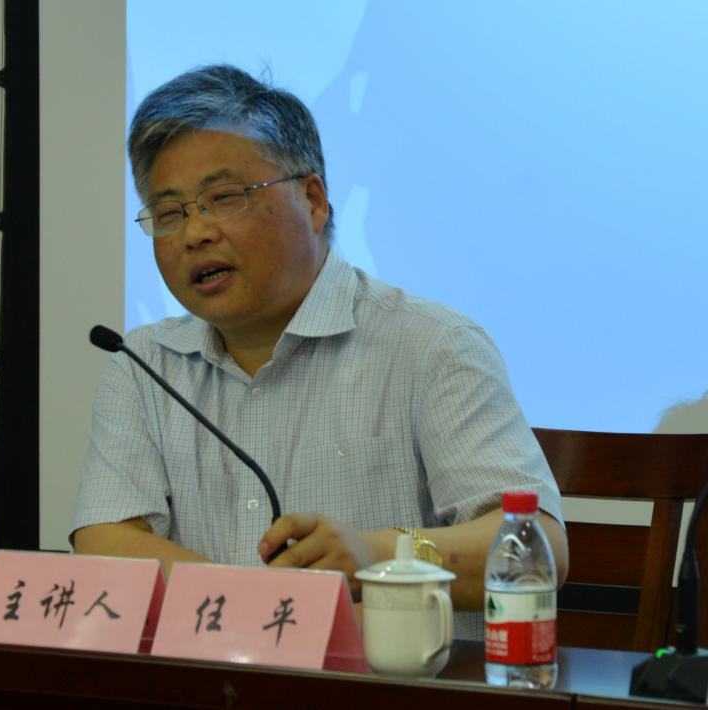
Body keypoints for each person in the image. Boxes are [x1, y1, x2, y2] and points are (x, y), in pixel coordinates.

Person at [71, 64, 567, 639]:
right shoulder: (144, 363)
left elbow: (535, 548)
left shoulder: (431, 345)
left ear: (312, 200)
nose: (194, 233)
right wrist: (264, 613)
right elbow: (108, 539)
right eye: (169, 213)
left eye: (223, 198)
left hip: (395, 681)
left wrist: (380, 556)